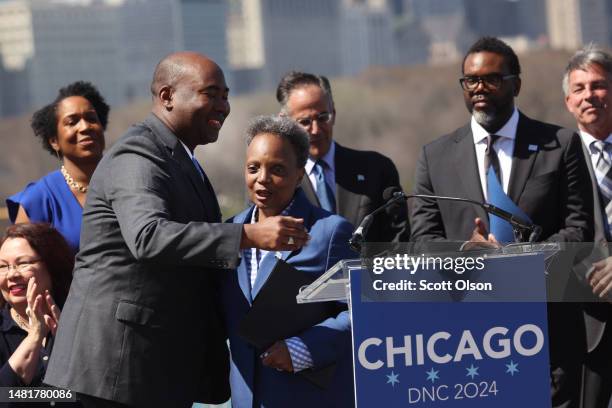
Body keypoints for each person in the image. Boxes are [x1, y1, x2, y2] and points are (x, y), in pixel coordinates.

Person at [43, 52, 309, 408]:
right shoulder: (138, 154)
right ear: (167, 96)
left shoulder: (181, 160)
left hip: (153, 371)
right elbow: (148, 236)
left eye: (226, 95)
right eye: (210, 94)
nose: (223, 106)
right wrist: (248, 236)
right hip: (113, 372)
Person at [409, 37, 594, 407]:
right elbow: (422, 242)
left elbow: (579, 230)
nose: (479, 88)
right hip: (468, 340)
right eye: (470, 80)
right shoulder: (436, 156)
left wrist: (517, 259)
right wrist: (465, 251)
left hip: (547, 331)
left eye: (492, 79)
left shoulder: (559, 144)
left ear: (516, 84)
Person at [221, 115, 355, 408]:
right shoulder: (230, 233)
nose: (262, 179)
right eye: (253, 168)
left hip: (308, 398)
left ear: (299, 174)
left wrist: (302, 348)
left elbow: (359, 314)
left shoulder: (329, 233)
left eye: (277, 169)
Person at [276, 71, 409, 244]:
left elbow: (398, 240)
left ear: (334, 114)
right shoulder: (275, 180)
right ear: (286, 123)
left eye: (323, 118)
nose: (315, 130)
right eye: (305, 122)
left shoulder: (376, 169)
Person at [563, 44, 612, 408]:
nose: (589, 96)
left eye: (598, 85)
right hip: (585, 325)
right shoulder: (552, 161)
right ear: (568, 101)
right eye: (579, 88)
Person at [6, 81, 109, 254]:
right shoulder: (38, 200)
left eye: (91, 119)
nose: (84, 127)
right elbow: (22, 265)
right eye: (72, 122)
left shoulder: (131, 181)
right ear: (54, 141)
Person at [0, 223, 76, 407]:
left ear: (52, 265)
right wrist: (35, 335)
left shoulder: (80, 321)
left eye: (23, 263)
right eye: (3, 266)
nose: (12, 274)